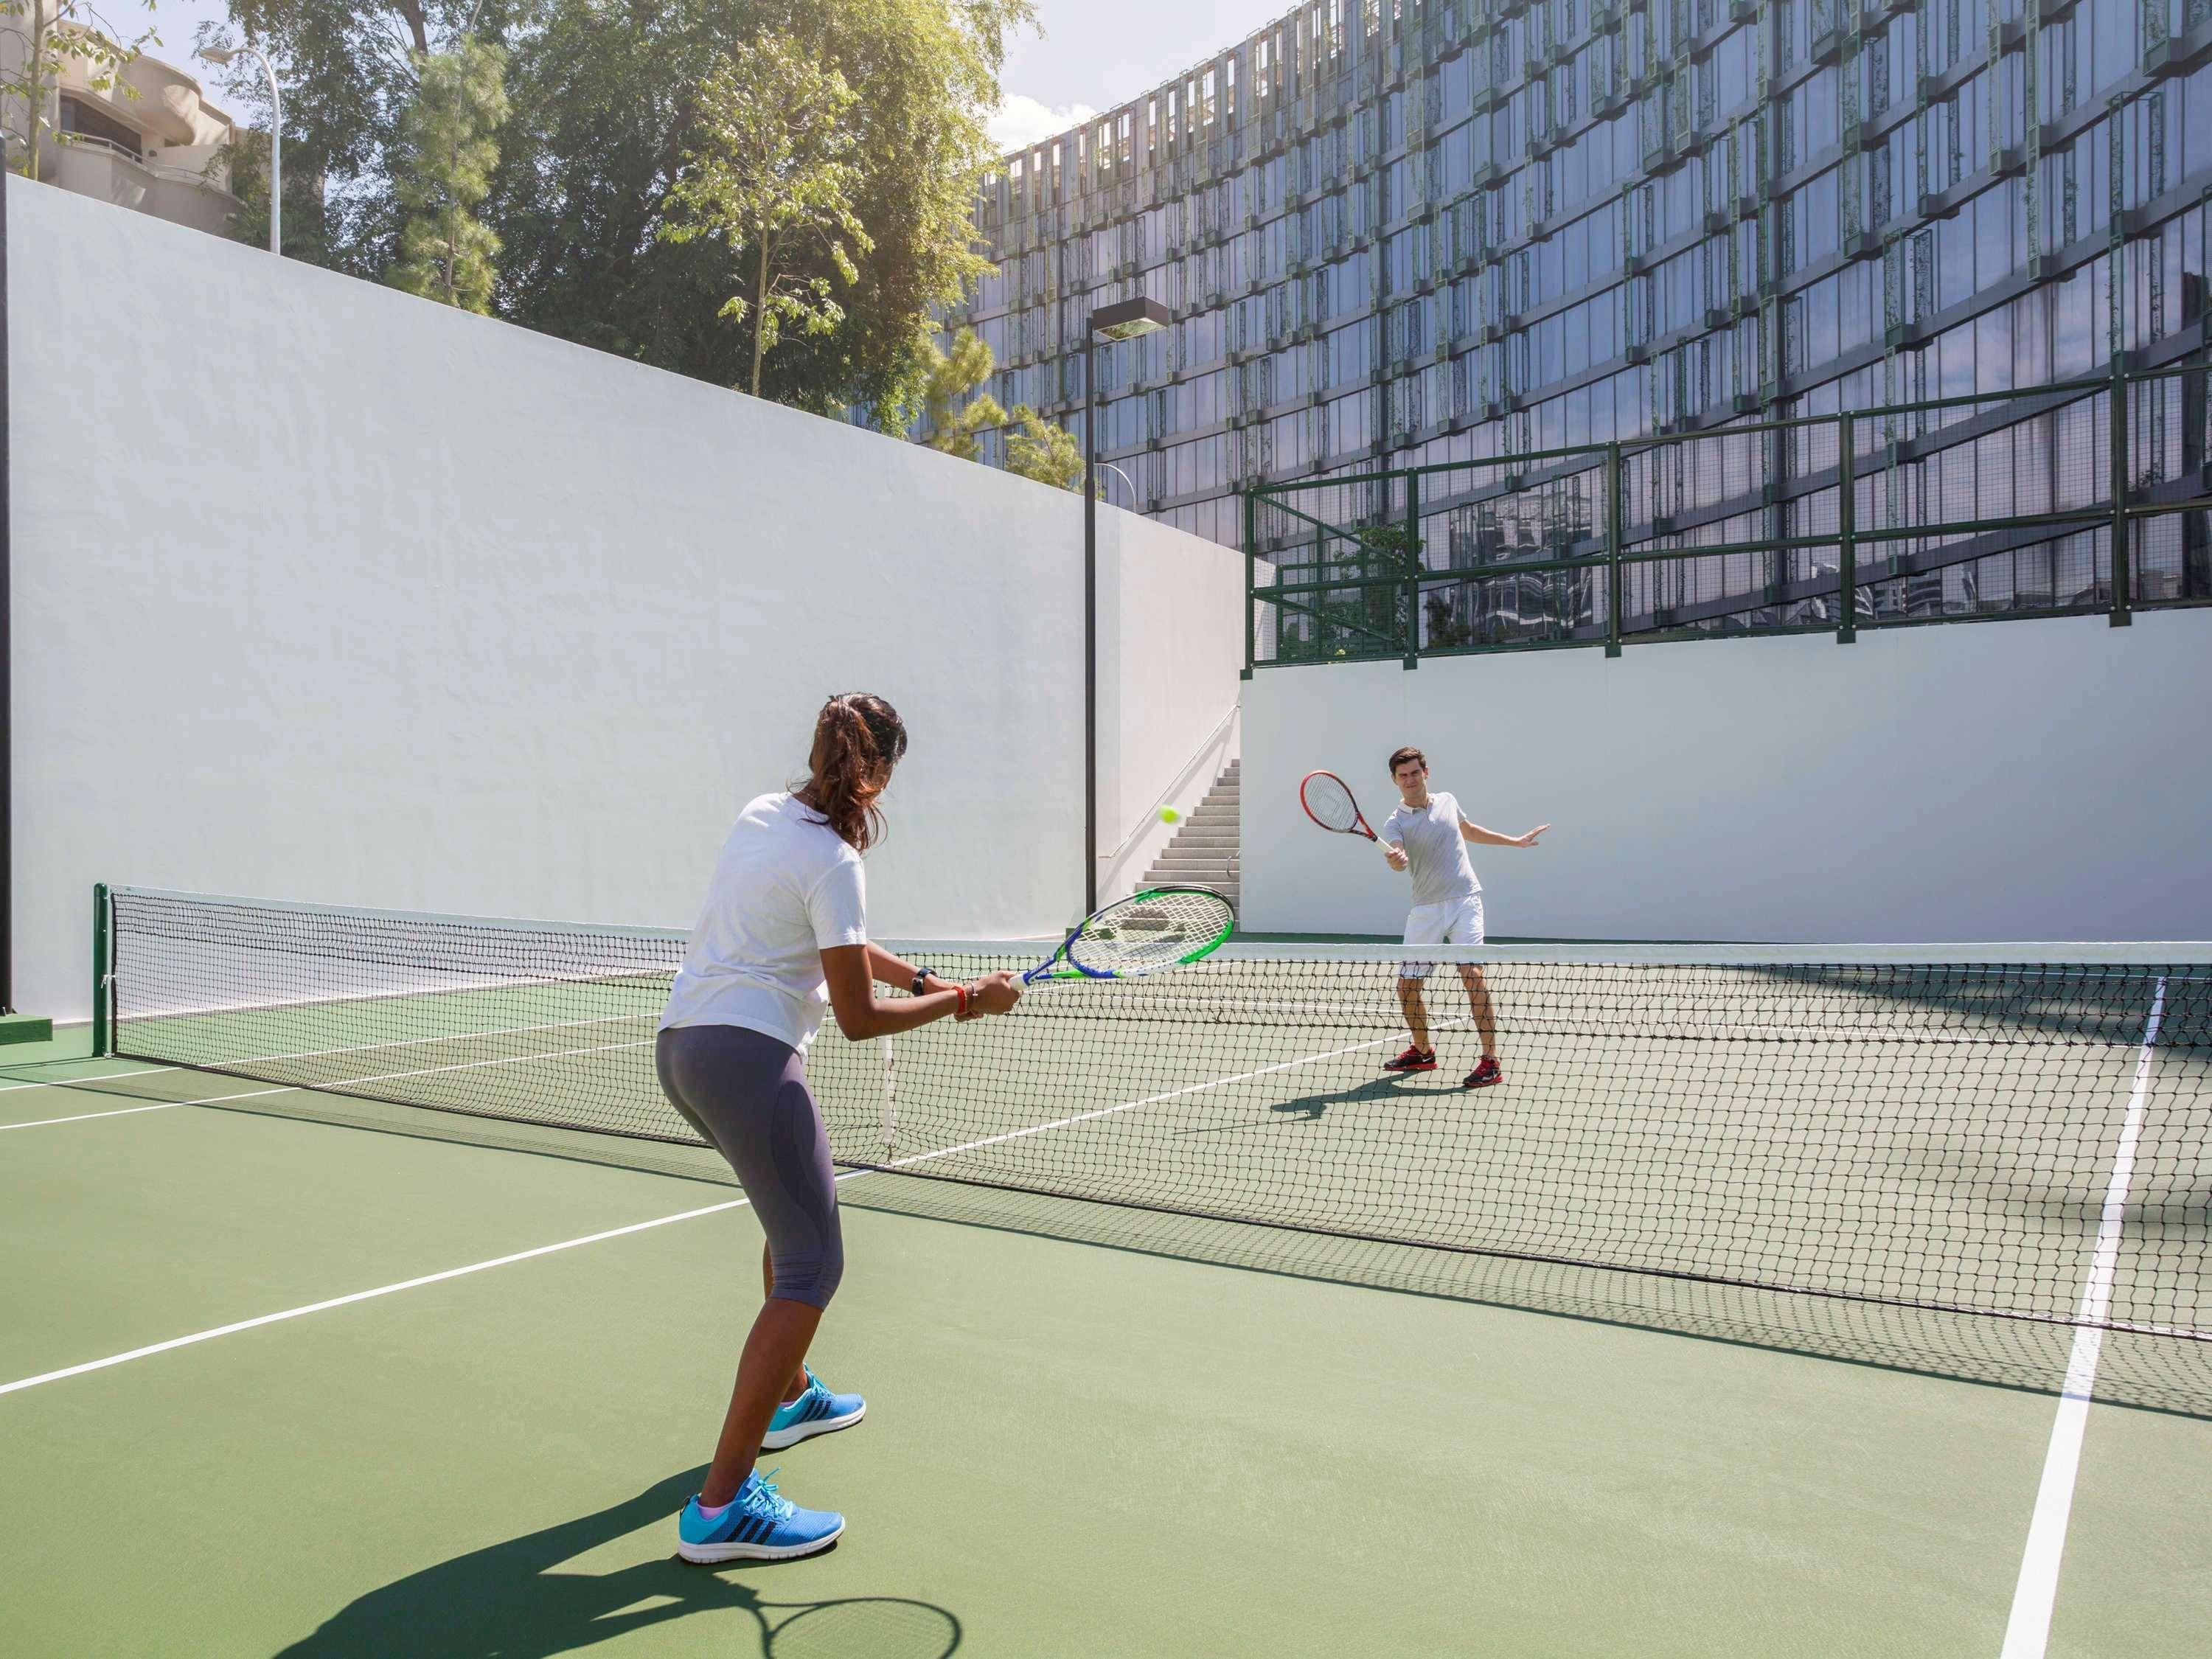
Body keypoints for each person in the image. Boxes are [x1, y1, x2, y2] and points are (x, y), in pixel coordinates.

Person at [655, 692, 1020, 1563]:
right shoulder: (835, 861)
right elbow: (856, 1014)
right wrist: (965, 1002)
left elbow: (846, 947)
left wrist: (931, 976)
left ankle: (792, 1394)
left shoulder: (765, 814)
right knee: (815, 1264)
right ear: (880, 770)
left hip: (681, 1049)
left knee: (788, 1232)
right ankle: (721, 1508)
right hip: (748, 1060)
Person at [1374, 745, 1549, 1089]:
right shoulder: (1394, 823)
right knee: (1407, 986)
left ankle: (1490, 1061)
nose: (1409, 780)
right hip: (1425, 909)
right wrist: (1396, 860)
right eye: (1402, 775)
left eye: (1414, 772)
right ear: (1394, 781)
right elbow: (1399, 856)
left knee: (1472, 974)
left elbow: (1468, 830)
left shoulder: (1448, 801)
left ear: (1426, 772)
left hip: (1466, 901)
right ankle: (1423, 1052)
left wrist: (1514, 842)